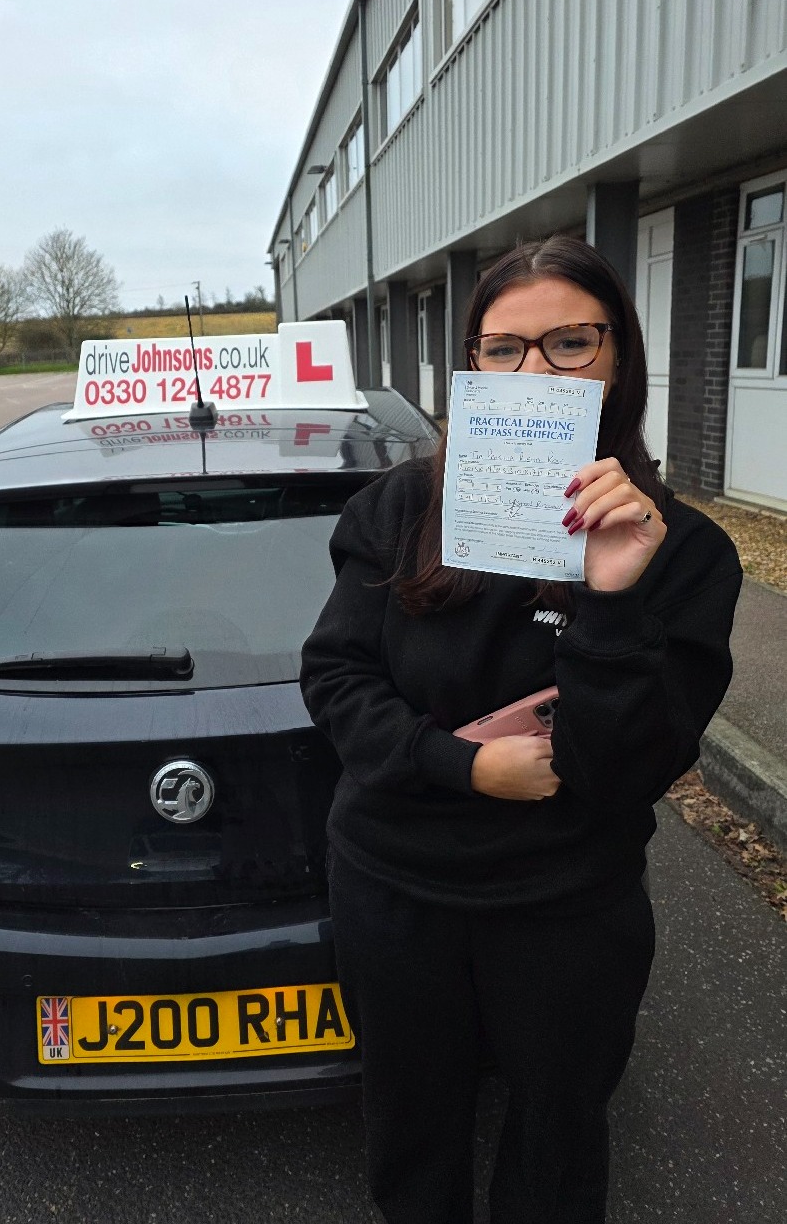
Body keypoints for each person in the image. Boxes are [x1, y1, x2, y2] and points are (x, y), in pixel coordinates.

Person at [300, 235, 742, 1224]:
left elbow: (628, 765)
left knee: (556, 1137)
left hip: (563, 905)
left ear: (617, 356)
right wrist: (458, 764)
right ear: (472, 364)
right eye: (503, 349)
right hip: (394, 888)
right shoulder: (400, 504)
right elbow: (335, 675)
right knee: (410, 1130)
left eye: (569, 343)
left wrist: (614, 598)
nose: (534, 371)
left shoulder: (683, 552)